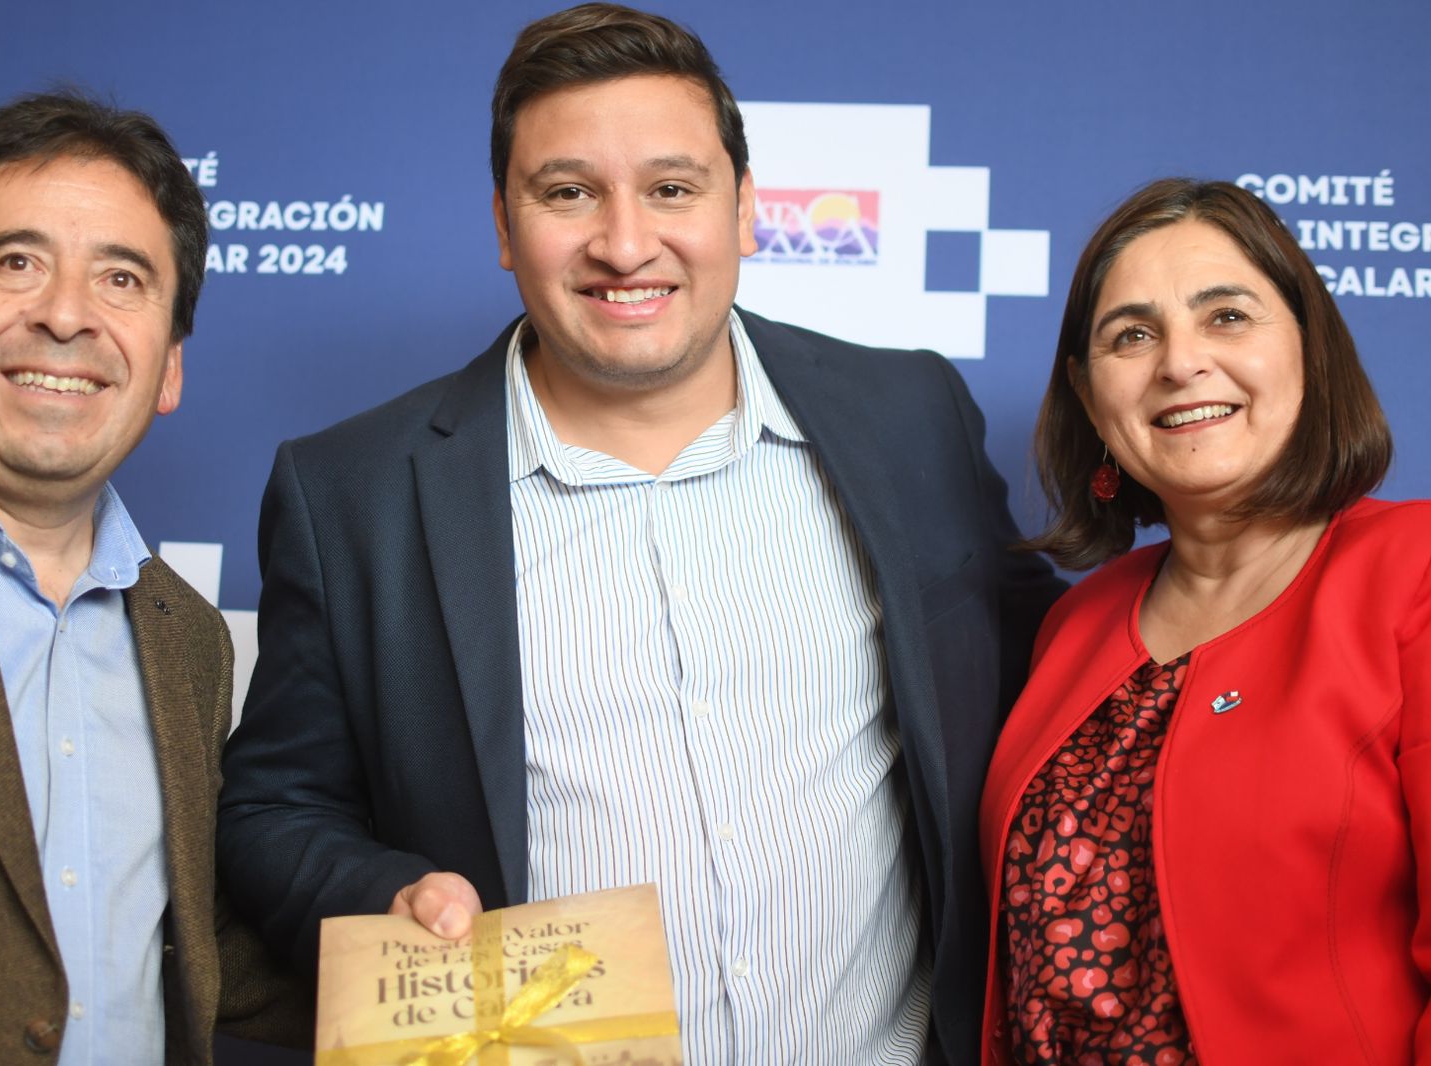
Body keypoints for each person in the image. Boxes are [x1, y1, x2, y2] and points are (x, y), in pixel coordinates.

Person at [219, 4, 1062, 1062]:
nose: (624, 245)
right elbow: (274, 808)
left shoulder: (911, 417)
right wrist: (386, 893)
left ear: (745, 208)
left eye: (671, 188)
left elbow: (1056, 686)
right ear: (504, 226)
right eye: (568, 192)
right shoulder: (353, 491)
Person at [0, 92, 304, 1064]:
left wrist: (452, 978)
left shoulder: (188, 638)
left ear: (169, 369)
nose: (64, 315)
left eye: (122, 279)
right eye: (17, 262)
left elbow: (191, 942)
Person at [977, 178, 1429, 1065]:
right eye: (1132, 335)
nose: (1180, 363)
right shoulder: (1075, 623)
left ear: (1310, 350)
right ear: (1088, 395)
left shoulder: (1413, 575)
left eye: (1226, 317)